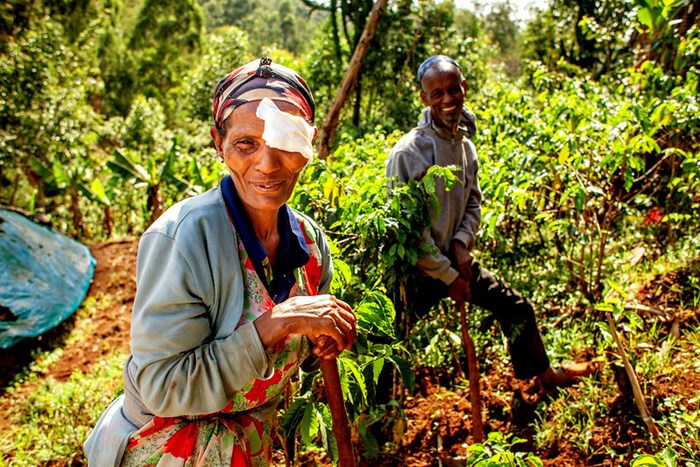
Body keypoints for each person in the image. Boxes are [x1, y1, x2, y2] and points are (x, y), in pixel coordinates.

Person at [84, 57, 357, 466]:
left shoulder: (311, 245)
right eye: (246, 144)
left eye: (286, 142)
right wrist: (277, 323)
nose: (267, 164)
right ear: (219, 143)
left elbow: (310, 348)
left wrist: (326, 336)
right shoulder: (183, 238)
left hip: (248, 450)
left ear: (308, 145)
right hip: (169, 451)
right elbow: (162, 387)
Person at [385, 55, 592, 389]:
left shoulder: (465, 148)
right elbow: (408, 232)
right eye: (437, 93)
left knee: (516, 308)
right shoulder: (408, 153)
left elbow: (473, 203)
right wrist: (447, 276)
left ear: (464, 88)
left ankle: (543, 376)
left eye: (453, 89)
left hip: (456, 261)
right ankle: (375, 412)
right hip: (419, 270)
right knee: (387, 339)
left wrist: (461, 244)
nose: (447, 99)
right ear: (423, 98)